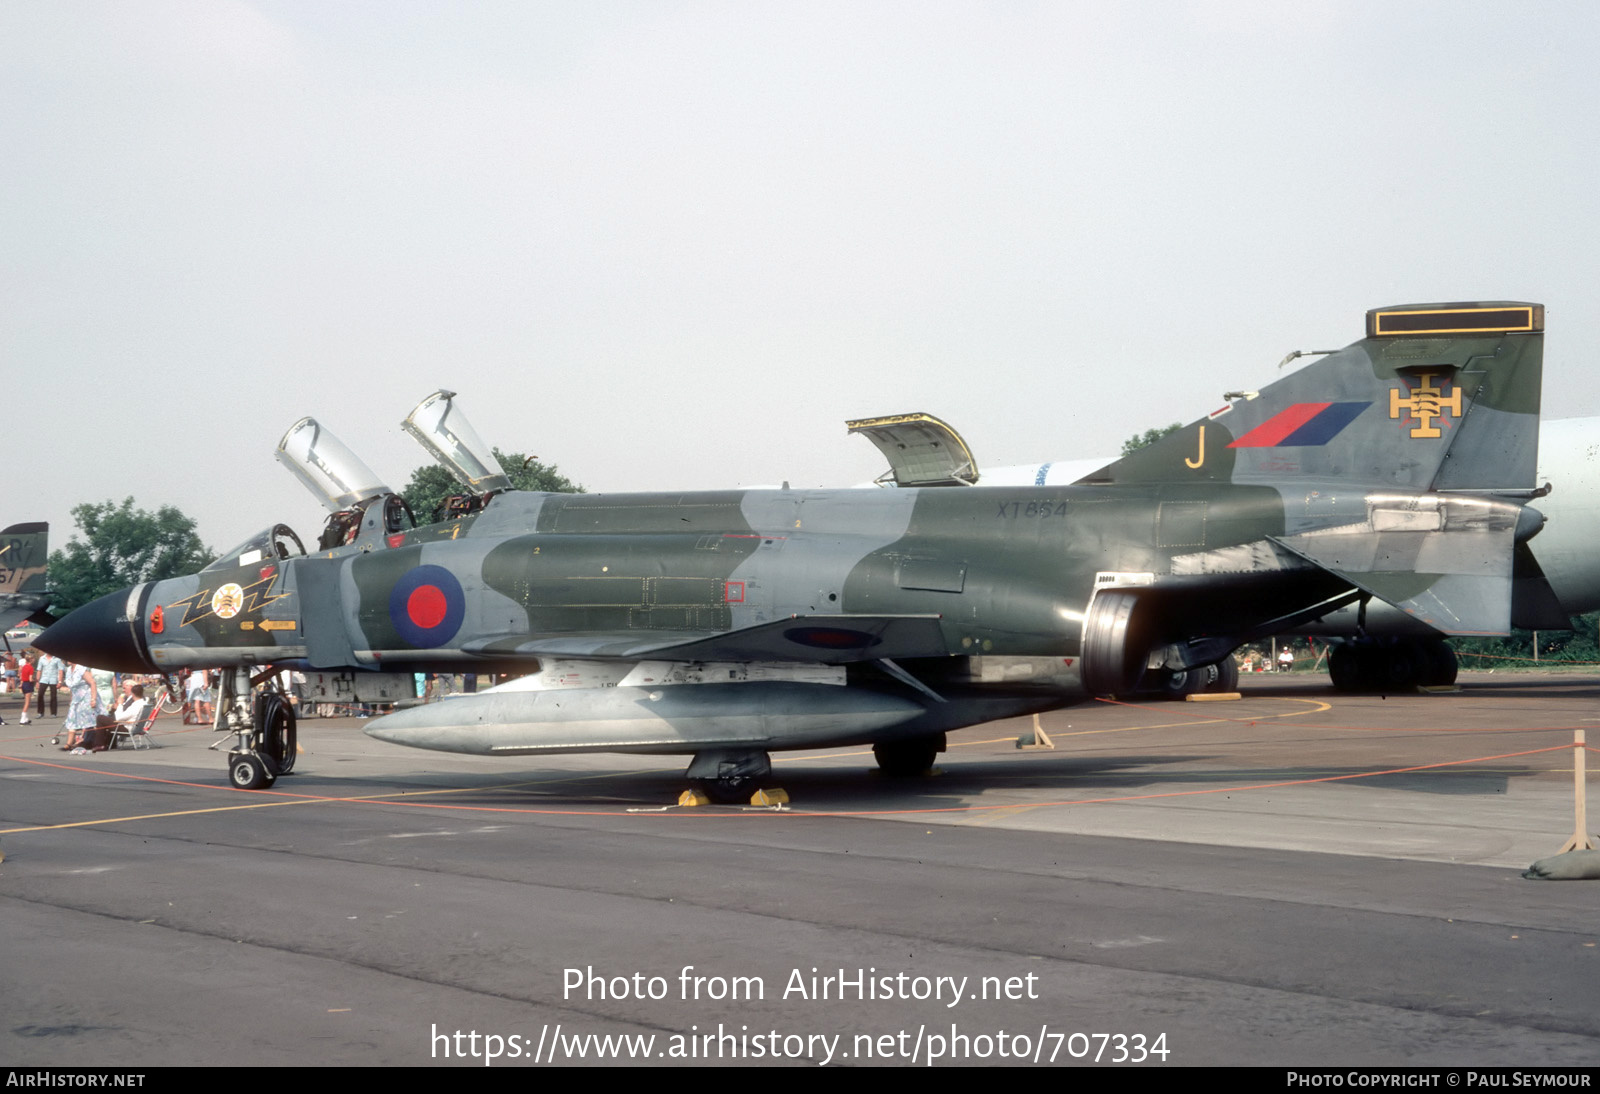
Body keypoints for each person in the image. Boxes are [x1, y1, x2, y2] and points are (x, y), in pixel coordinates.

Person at [60, 662, 101, 751]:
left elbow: (92, 682)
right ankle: (69, 744)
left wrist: (93, 699)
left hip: (86, 697)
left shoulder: (81, 669)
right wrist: (71, 699)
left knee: (88, 720)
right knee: (71, 719)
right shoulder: (68, 670)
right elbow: (72, 687)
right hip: (76, 698)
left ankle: (89, 741)